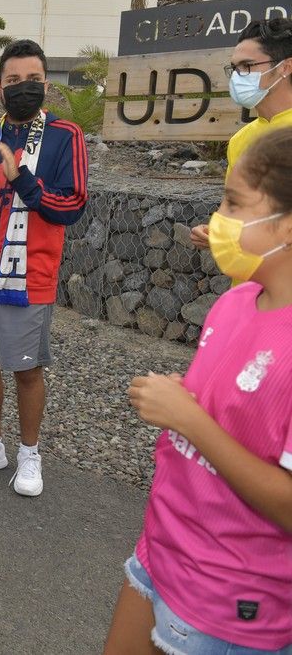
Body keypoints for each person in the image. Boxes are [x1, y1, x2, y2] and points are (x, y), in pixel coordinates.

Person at [103, 127, 292, 655]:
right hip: (162, 548)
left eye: (233, 203)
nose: (217, 220)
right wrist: (185, 399)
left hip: (232, 593)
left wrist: (188, 419)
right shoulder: (237, 301)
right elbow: (230, 409)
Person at [0, 39, 87, 496]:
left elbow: (70, 205)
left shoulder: (65, 136)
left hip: (29, 275)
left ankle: (29, 452)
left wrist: (21, 176)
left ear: (46, 83)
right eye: (12, 80)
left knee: (26, 369)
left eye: (32, 79)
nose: (23, 87)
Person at [191, 17, 292, 252]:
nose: (237, 76)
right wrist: (214, 232)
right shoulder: (240, 140)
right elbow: (234, 211)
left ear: (285, 68)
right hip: (248, 285)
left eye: (248, 66)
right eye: (234, 68)